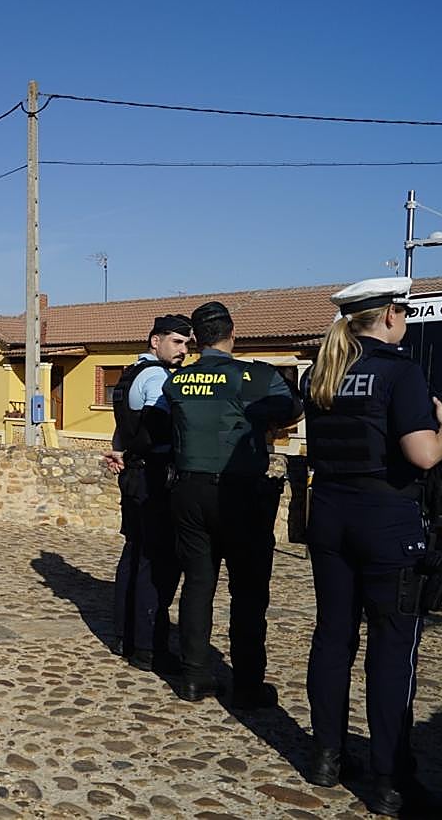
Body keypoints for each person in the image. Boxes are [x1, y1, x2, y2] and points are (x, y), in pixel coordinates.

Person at [301, 277, 442, 816]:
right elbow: (422, 455)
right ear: (390, 314)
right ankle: (390, 780)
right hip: (387, 522)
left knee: (333, 637)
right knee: (392, 650)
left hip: (329, 519)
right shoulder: (400, 371)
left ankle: (326, 756)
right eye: (404, 312)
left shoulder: (323, 372)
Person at [162, 301, 301, 706]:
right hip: (241, 494)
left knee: (197, 585)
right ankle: (247, 686)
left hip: (188, 492)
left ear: (195, 340)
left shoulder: (177, 382)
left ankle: (193, 678)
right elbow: (293, 407)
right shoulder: (257, 377)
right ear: (231, 334)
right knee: (249, 592)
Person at [103, 314, 192, 672]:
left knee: (135, 553)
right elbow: (164, 425)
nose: (184, 350)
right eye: (177, 342)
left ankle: (125, 636)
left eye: (188, 344)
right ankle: (148, 647)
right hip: (155, 477)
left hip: (135, 474)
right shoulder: (157, 378)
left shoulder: (129, 375)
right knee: (155, 562)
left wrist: (120, 451)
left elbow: (125, 428)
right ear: (156, 341)